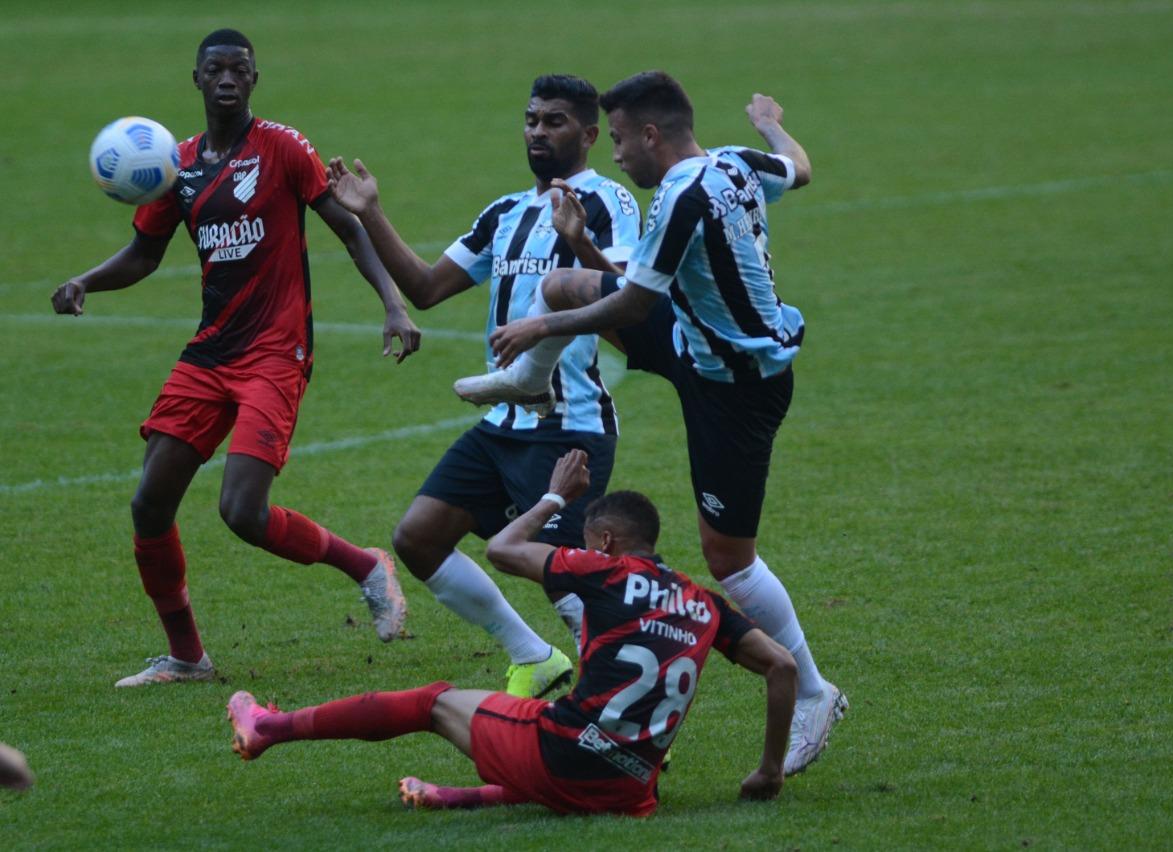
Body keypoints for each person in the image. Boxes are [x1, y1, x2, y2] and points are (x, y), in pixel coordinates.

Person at [453, 72, 845, 774]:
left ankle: (813, 691)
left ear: (654, 134)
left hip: (734, 387)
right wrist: (767, 122)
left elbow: (632, 309)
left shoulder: (678, 199)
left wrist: (541, 324)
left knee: (729, 558)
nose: (620, 156)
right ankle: (530, 378)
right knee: (565, 277)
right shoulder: (733, 161)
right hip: (696, 339)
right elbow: (802, 167)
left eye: (625, 139)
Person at [50, 29, 422, 687]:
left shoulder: (281, 147)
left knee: (242, 513)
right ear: (196, 79)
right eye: (216, 69)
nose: (228, 79)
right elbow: (144, 255)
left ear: (254, 79)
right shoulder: (176, 165)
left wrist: (393, 303)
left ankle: (366, 566)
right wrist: (86, 281)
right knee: (148, 506)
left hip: (276, 352)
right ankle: (188, 657)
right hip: (209, 352)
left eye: (240, 70)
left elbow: (348, 225)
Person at [226, 449, 797, 816]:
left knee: (432, 703)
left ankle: (269, 728)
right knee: (561, 749)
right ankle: (460, 796)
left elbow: (502, 549)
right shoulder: (704, 603)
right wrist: (770, 770)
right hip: (632, 792)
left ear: (604, 544)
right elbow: (782, 666)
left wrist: (554, 498)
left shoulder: (601, 568)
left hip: (566, 756)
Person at [323, 75, 642, 697]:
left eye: (554, 121)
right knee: (418, 537)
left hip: (568, 422)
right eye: (531, 120)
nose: (538, 132)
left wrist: (579, 243)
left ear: (589, 134)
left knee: (565, 577)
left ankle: (617, 703)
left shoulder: (608, 203)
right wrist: (372, 213)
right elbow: (425, 288)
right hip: (502, 424)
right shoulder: (505, 212)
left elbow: (632, 312)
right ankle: (533, 656)